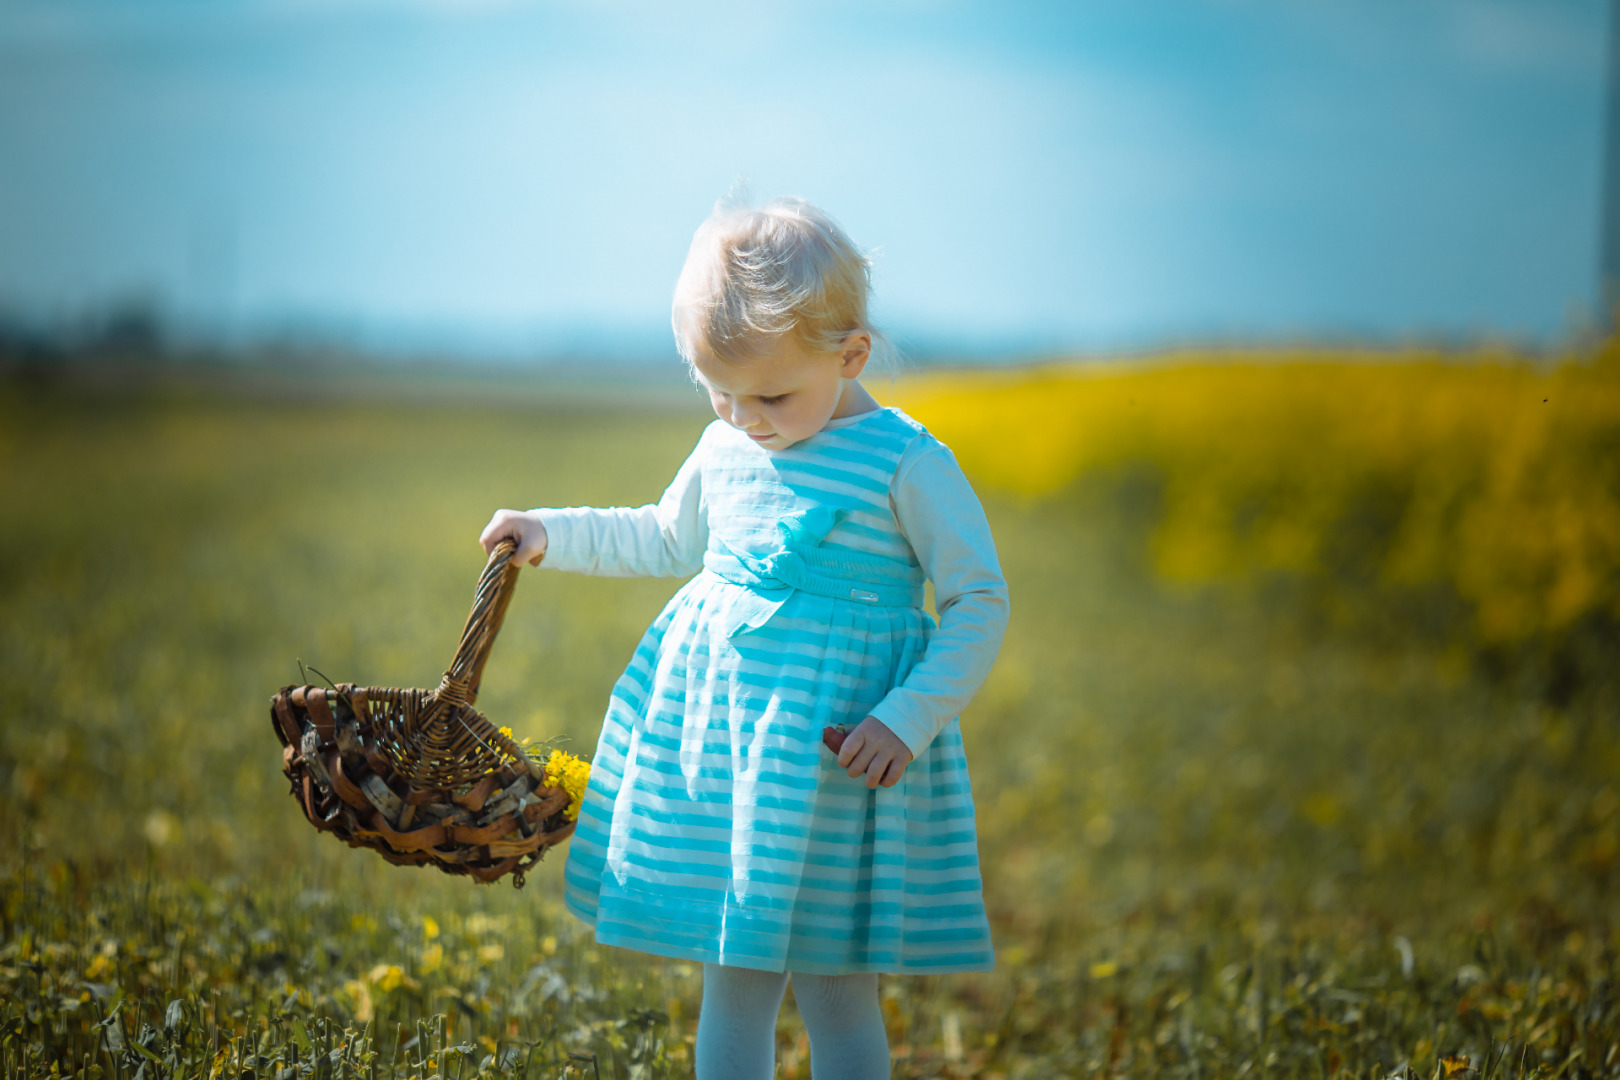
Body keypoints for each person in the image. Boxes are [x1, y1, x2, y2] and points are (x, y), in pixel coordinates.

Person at [480, 196, 1009, 1080]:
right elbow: (661, 534)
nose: (744, 417)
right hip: (733, 764)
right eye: (716, 390)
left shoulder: (907, 462)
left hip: (841, 766)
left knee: (839, 992)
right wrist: (548, 532)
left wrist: (906, 719)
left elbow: (979, 601)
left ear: (851, 355)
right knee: (735, 979)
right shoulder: (726, 445)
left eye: (770, 393)